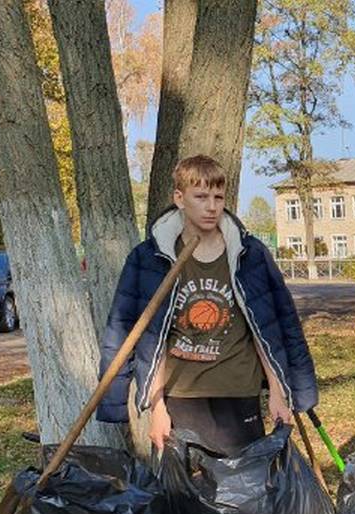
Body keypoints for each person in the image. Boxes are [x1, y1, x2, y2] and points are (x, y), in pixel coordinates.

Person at [96, 155, 318, 455]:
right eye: (201, 197)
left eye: (218, 197)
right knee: (188, 495)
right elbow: (132, 333)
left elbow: (275, 325)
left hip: (238, 392)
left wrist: (282, 393)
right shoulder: (150, 258)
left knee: (242, 493)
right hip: (181, 396)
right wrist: (155, 407)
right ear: (179, 198)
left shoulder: (249, 254)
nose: (212, 206)